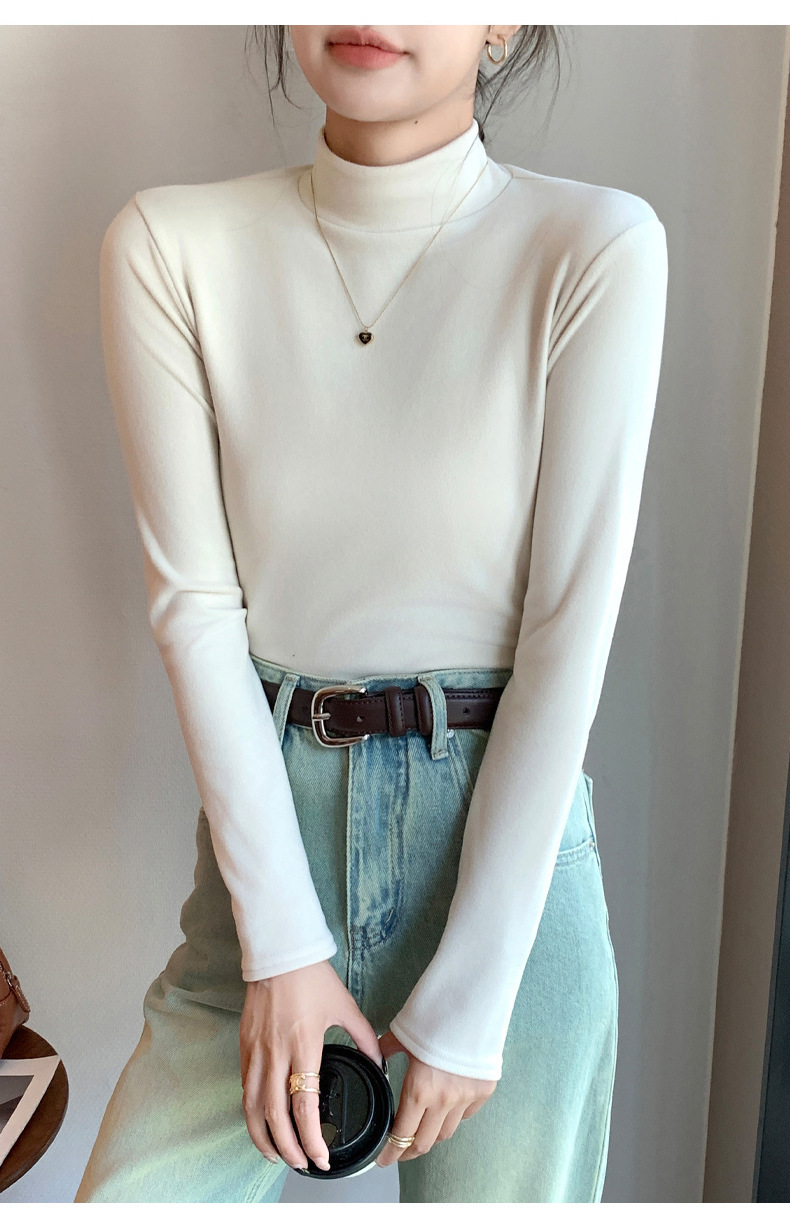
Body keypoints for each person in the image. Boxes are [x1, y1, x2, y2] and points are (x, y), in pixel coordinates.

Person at [75, 23, 669, 1204]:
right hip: (267, 855)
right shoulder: (171, 245)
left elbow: (567, 627)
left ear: (503, 21)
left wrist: (478, 993)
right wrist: (282, 946)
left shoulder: (593, 246)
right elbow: (195, 606)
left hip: (501, 876)